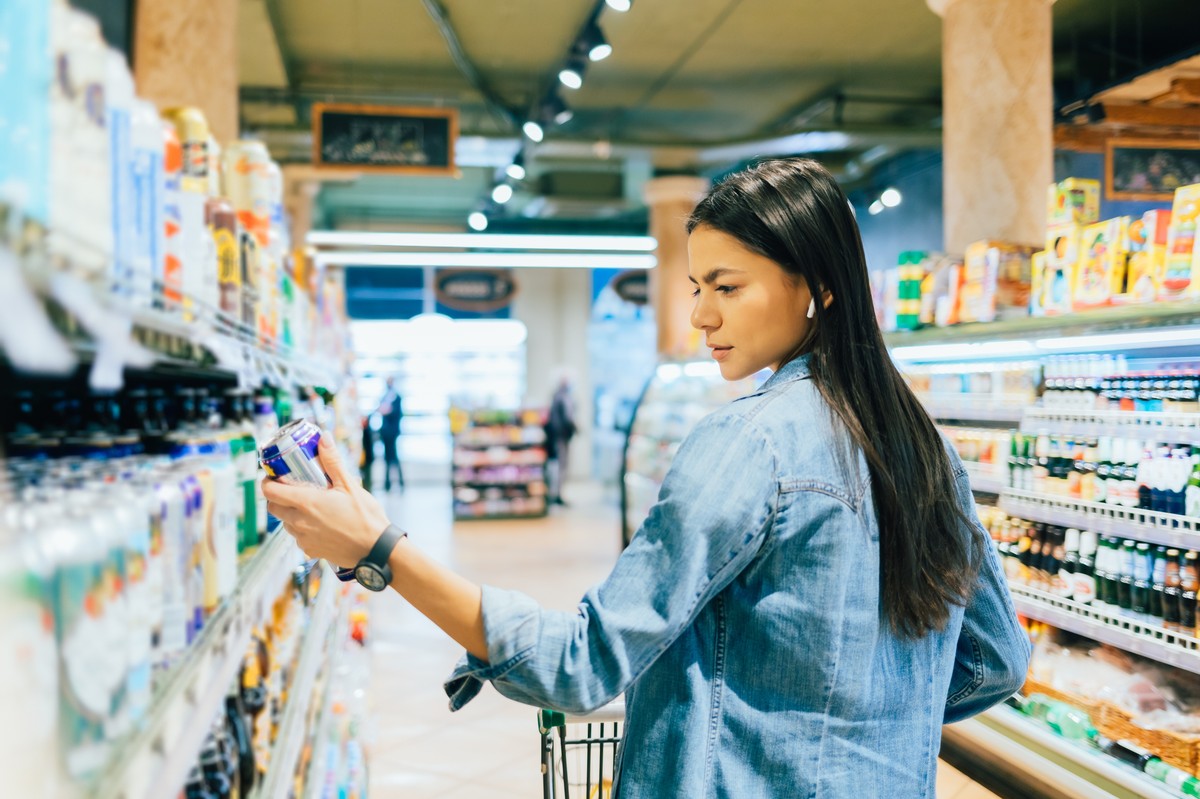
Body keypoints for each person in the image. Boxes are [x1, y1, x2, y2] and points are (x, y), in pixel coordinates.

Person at [262, 158, 1030, 798]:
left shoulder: (748, 441)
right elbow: (997, 660)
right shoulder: (924, 445)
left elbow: (583, 663)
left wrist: (380, 548)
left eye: (726, 287)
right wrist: (859, 726)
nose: (699, 315)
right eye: (697, 286)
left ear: (817, 288)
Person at [544, 374, 577, 505]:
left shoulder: (556, 396)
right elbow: (568, 418)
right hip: (561, 437)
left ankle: (556, 493)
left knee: (559, 466)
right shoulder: (563, 397)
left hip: (558, 436)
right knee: (561, 466)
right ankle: (557, 495)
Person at [375, 377, 404, 492]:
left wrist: (388, 411)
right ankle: (387, 484)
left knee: (394, 458)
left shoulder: (397, 398)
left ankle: (400, 482)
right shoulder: (384, 397)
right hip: (385, 432)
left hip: (393, 432)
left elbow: (398, 414)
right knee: (387, 458)